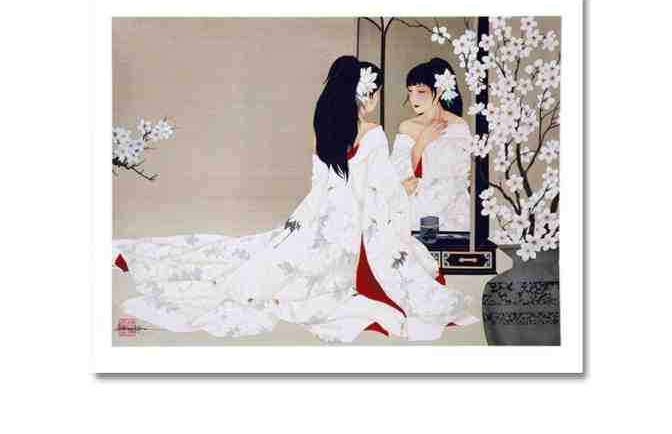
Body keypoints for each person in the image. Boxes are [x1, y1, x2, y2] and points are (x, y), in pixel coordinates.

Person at [113, 56, 477, 343]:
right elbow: (383, 191)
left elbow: (321, 184)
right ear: (366, 95)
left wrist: (312, 220)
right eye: (377, 92)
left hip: (320, 215)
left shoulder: (325, 129)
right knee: (389, 265)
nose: (379, 99)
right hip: (354, 223)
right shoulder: (374, 134)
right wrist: (405, 192)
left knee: (262, 257)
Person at [391, 58, 472, 234]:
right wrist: (421, 143)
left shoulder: (459, 126)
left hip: (454, 210)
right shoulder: (407, 126)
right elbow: (401, 176)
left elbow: (462, 174)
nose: (413, 98)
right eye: (410, 91)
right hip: (417, 208)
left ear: (440, 90)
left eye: (421, 91)